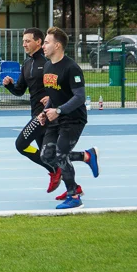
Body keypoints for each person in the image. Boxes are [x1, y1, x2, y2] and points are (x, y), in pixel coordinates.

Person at [37, 27, 100, 209]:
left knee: (60, 154)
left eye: (47, 42)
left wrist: (59, 110)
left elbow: (79, 97)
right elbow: (53, 96)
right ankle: (86, 156)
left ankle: (74, 195)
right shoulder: (48, 66)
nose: (44, 46)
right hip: (55, 117)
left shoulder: (72, 68)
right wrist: (45, 112)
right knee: (46, 155)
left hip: (73, 119)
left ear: (57, 45)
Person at [2, 28, 64, 193]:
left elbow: (60, 87)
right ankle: (74, 186)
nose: (24, 44)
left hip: (44, 116)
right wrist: (9, 86)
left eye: (28, 41)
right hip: (35, 114)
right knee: (49, 154)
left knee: (21, 144)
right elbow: (20, 91)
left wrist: (52, 99)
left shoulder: (47, 63)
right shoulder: (27, 64)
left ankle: (54, 170)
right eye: (23, 41)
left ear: (38, 42)